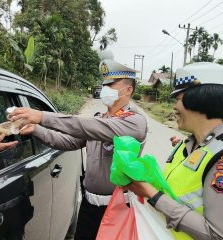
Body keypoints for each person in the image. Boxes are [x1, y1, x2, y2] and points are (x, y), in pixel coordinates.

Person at [8, 59, 148, 240]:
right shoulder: (100, 118)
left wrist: (42, 116)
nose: (105, 89)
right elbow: (67, 141)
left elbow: (84, 125)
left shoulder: (134, 122)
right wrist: (36, 129)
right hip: (89, 205)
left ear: (128, 89)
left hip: (117, 207)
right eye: (104, 84)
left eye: (111, 85)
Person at [118, 62, 223, 240]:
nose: (174, 107)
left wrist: (152, 194)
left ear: (200, 99)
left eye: (178, 99)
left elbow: (218, 236)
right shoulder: (187, 145)